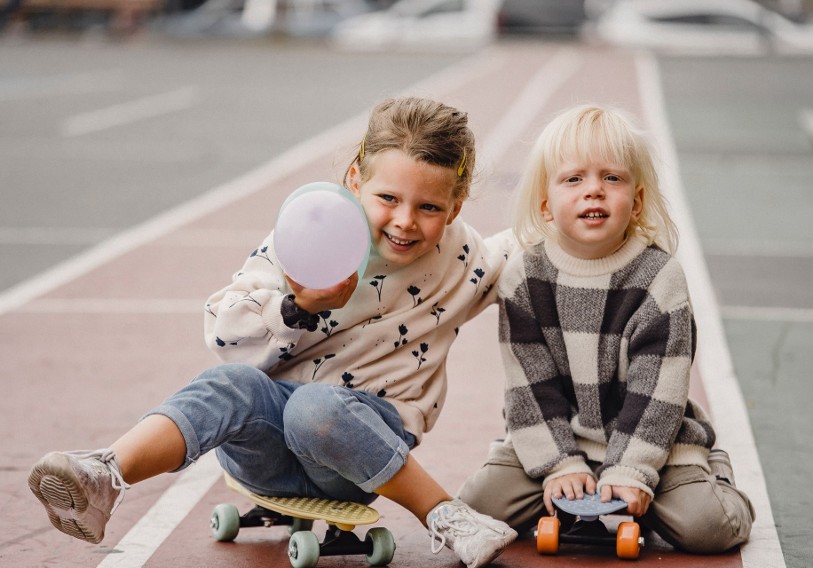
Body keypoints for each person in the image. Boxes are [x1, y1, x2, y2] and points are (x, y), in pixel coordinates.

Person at [28, 96, 517, 567]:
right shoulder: (309, 234)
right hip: (266, 451)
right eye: (387, 198)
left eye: (429, 208)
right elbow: (223, 331)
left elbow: (534, 244)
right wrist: (297, 305)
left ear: (455, 206)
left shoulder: (467, 260)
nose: (406, 221)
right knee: (235, 384)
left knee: (314, 407)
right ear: (354, 180)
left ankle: (446, 516)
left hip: (359, 456)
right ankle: (106, 475)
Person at [457, 104, 754, 554]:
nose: (593, 191)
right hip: (560, 435)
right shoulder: (525, 276)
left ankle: (692, 478)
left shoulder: (658, 277)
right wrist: (557, 463)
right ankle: (574, 492)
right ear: (546, 205)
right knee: (475, 507)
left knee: (711, 527)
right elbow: (528, 386)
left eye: (611, 178)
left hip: (652, 440)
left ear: (635, 202)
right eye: (573, 179)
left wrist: (631, 471)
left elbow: (659, 394)